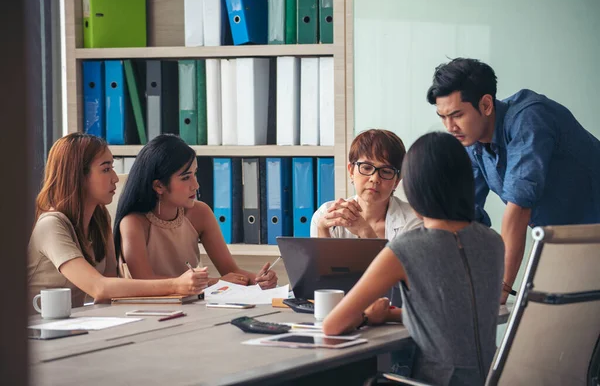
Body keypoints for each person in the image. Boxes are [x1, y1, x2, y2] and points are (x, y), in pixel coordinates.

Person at [323, 132, 504, 385]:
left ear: (412, 186)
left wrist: (365, 317)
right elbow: (454, 313)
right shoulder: (493, 242)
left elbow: (332, 326)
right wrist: (388, 315)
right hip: (491, 378)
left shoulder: (406, 247)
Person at [426, 57, 600, 303]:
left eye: (457, 115)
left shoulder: (530, 118)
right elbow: (463, 217)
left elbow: (518, 211)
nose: (449, 127)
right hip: (569, 243)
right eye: (443, 117)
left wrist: (500, 290)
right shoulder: (471, 144)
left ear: (486, 105)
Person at [28, 133, 208, 313]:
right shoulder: (51, 225)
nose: (115, 178)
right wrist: (175, 285)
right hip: (34, 332)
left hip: (73, 324)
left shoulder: (100, 218)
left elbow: (111, 290)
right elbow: (99, 288)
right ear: (78, 176)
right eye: (106, 169)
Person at [114, 134, 277, 289]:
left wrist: (259, 280)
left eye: (195, 174)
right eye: (185, 178)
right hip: (145, 311)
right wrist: (213, 283)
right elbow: (144, 281)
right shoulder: (133, 223)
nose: (196, 185)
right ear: (159, 186)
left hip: (190, 306)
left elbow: (231, 272)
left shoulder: (200, 213)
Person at [310, 129, 422, 307]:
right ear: (351, 171)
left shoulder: (414, 222)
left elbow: (402, 290)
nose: (374, 178)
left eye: (386, 171)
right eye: (367, 168)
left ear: (397, 181)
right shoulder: (327, 214)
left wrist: (366, 232)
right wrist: (322, 230)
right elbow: (323, 285)